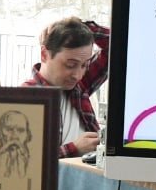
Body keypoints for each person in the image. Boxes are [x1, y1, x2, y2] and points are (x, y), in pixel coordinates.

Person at [22, 16, 110, 158]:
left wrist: (81, 27)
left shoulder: (79, 86)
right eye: (70, 65)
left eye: (84, 65)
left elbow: (118, 44)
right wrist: (74, 148)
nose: (78, 75)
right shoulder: (26, 97)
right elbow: (26, 158)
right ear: (44, 54)